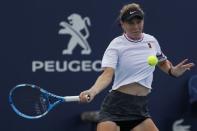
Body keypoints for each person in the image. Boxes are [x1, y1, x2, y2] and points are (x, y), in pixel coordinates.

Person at [79, 3, 195, 131]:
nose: (136, 26)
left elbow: (161, 62)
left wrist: (173, 71)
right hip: (116, 107)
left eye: (138, 22)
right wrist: (92, 91)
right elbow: (107, 74)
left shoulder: (151, 41)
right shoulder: (116, 45)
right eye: (131, 23)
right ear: (122, 25)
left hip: (140, 109)